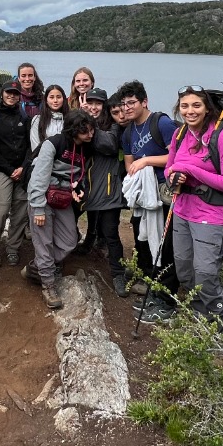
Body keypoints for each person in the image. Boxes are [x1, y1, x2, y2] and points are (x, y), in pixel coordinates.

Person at [164, 86, 223, 325]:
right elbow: (169, 168)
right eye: (185, 106)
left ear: (207, 108)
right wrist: (172, 177)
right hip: (182, 211)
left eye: (196, 105)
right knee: (185, 272)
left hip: (211, 216)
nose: (190, 111)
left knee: (206, 277)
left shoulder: (221, 137)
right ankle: (201, 317)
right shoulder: (179, 135)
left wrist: (190, 169)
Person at [118, 79, 181, 322]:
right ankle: (154, 289)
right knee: (145, 242)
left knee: (166, 246)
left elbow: (176, 157)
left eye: (131, 102)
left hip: (165, 194)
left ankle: (167, 299)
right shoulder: (128, 132)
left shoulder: (162, 123)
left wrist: (146, 162)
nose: (127, 108)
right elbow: (129, 162)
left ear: (145, 101)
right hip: (144, 197)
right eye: (124, 104)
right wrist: (136, 176)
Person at [25, 109, 96, 309]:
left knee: (70, 240)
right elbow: (38, 178)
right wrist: (38, 208)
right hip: (43, 198)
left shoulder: (85, 148)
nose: (90, 134)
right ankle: (48, 285)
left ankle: (36, 267)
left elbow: (79, 175)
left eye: (91, 130)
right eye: (86, 130)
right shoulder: (53, 144)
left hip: (63, 198)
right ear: (74, 129)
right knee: (44, 242)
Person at [79, 89, 126, 293]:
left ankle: (118, 274)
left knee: (110, 232)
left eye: (98, 103)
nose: (94, 107)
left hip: (108, 190)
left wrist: (89, 124)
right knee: (66, 218)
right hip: (87, 187)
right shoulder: (83, 123)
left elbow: (110, 145)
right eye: (90, 102)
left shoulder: (113, 127)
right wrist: (83, 119)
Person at [0, 78, 31, 267]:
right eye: (8, 93)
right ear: (2, 95)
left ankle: (13, 248)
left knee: (20, 211)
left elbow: (30, 144)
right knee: (1, 209)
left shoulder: (24, 117)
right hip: (4, 171)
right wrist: (10, 170)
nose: (11, 96)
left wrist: (23, 168)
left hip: (22, 170)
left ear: (19, 96)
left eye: (15, 93)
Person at [28, 83, 68, 153]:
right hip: (43, 160)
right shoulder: (38, 120)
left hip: (65, 162)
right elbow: (35, 147)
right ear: (46, 100)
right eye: (51, 97)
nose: (55, 100)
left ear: (63, 99)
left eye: (58, 97)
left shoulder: (70, 119)